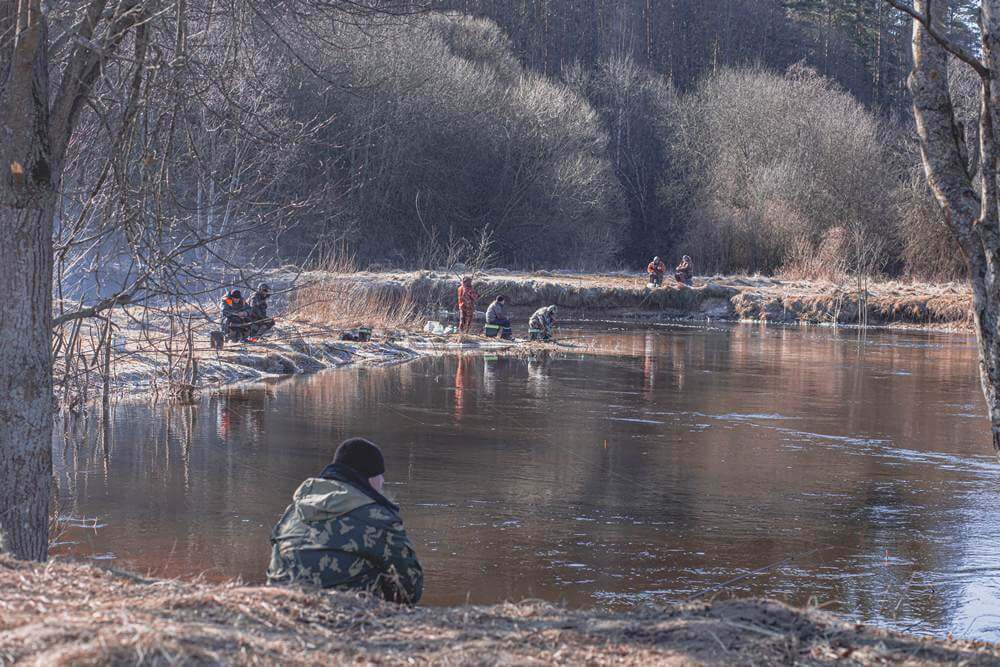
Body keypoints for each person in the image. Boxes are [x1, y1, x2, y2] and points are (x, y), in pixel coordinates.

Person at [267, 437, 424, 604]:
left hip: (276, 603)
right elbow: (410, 589)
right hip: (341, 612)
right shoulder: (378, 518)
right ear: (369, 478)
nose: (383, 481)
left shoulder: (294, 509)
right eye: (380, 475)